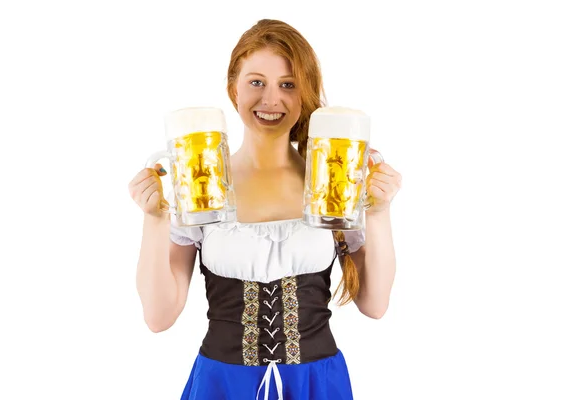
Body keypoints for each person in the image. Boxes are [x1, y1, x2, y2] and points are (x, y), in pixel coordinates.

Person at [128, 19, 402, 400]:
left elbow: (374, 304)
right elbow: (158, 317)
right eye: (256, 82)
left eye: (287, 85)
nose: (271, 99)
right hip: (222, 386)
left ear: (304, 93)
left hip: (315, 386)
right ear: (233, 89)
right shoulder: (203, 186)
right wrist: (155, 219)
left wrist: (379, 212)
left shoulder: (332, 184)